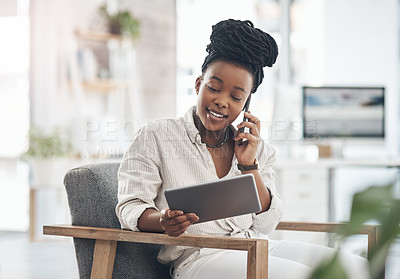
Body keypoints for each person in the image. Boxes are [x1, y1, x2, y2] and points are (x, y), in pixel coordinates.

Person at [116, 19, 369, 279]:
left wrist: (248, 165)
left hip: (254, 244)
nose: (222, 101)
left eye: (236, 97)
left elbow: (265, 224)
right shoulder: (156, 135)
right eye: (213, 88)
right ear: (198, 85)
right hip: (199, 258)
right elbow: (130, 207)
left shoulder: (257, 149)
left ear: (246, 104)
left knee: (356, 268)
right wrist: (162, 220)